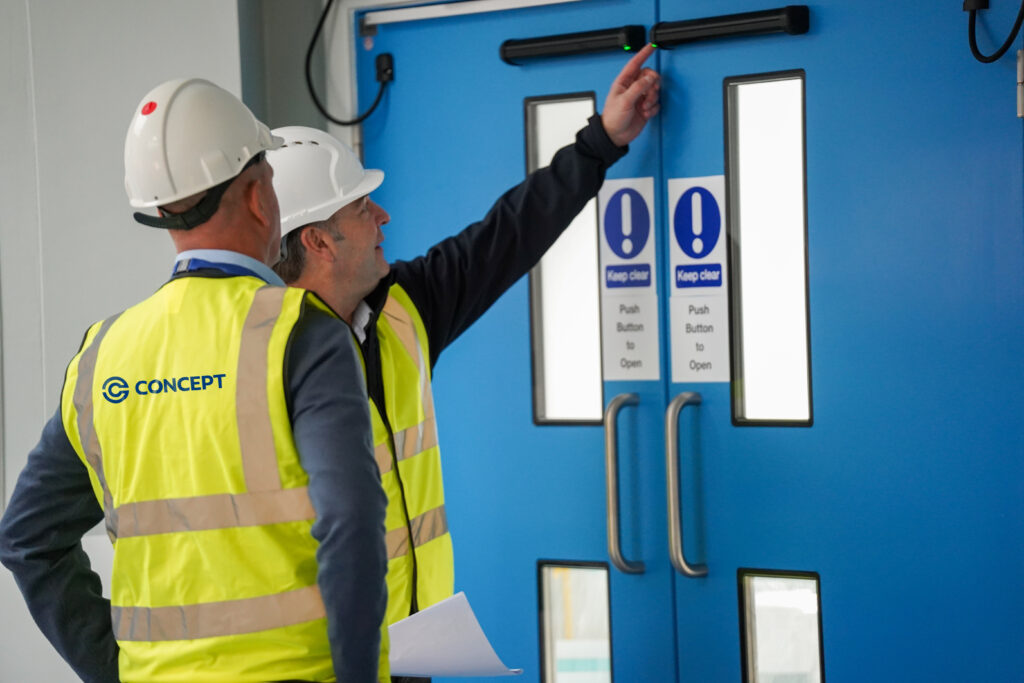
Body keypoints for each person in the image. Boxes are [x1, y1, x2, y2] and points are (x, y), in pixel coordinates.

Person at [268, 45, 661, 682]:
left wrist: (600, 142)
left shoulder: (403, 309)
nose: (383, 217)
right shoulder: (255, 359)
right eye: (363, 208)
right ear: (318, 241)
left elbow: (507, 235)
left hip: (411, 653)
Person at [0, 78, 389, 683]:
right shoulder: (300, 333)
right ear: (261, 196)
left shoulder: (103, 353)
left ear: (159, 210)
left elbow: (26, 538)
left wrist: (115, 668)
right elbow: (351, 521)